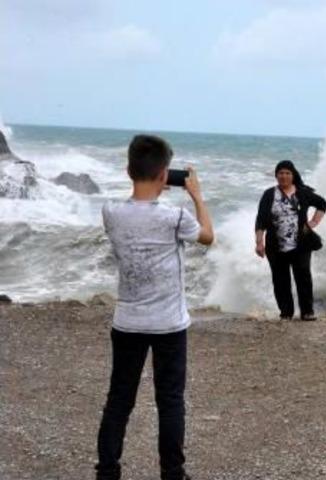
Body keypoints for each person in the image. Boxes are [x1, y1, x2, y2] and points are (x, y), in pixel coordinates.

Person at [96, 134, 214, 480]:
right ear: (165, 175)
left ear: (128, 170)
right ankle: (173, 473)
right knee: (170, 401)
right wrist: (197, 195)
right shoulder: (175, 217)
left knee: (119, 400)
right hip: (168, 324)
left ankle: (107, 471)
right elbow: (208, 236)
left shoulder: (110, 212)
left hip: (127, 321)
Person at [255, 160, 326, 320]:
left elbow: (322, 204)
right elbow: (260, 220)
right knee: (280, 280)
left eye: (287, 173)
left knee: (303, 277)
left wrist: (313, 222)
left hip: (301, 244)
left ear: (293, 175)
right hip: (275, 245)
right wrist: (259, 242)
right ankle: (286, 313)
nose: (284, 176)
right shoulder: (269, 194)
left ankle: (307, 312)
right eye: (280, 173)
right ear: (276, 175)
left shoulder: (302, 192)